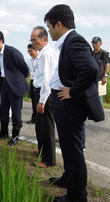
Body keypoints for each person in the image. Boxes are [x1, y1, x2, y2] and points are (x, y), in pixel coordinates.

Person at [44, 4, 104, 202]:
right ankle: (68, 178)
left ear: (59, 25)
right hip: (63, 102)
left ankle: (77, 197)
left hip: (70, 104)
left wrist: (73, 92)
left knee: (73, 149)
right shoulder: (68, 41)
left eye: (50, 27)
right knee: (68, 147)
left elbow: (90, 69)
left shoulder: (74, 41)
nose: (49, 32)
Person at [0, 30, 29, 146]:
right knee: (3, 110)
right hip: (4, 84)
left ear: (0, 41)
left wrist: (18, 80)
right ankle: (4, 133)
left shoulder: (12, 52)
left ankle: (15, 136)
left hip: (15, 85)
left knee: (16, 112)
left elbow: (24, 68)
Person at [30, 26, 57, 168]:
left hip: (45, 94)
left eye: (34, 39)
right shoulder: (42, 53)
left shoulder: (48, 54)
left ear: (44, 39)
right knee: (40, 125)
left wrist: (42, 101)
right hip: (39, 92)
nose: (32, 42)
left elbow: (48, 79)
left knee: (46, 127)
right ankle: (42, 151)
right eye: (31, 40)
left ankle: (49, 159)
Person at [91, 36, 109, 104]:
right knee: (91, 95)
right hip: (91, 78)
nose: (94, 44)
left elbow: (107, 64)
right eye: (93, 43)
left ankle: (99, 112)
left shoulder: (104, 53)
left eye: (96, 43)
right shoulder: (91, 53)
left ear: (100, 43)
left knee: (99, 96)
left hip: (100, 78)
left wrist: (105, 76)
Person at [26, 44, 39, 124]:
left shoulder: (41, 59)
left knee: (40, 101)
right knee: (34, 100)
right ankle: (34, 118)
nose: (30, 53)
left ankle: (40, 118)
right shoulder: (29, 61)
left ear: (36, 50)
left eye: (31, 50)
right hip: (32, 81)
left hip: (40, 82)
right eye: (29, 51)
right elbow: (27, 73)